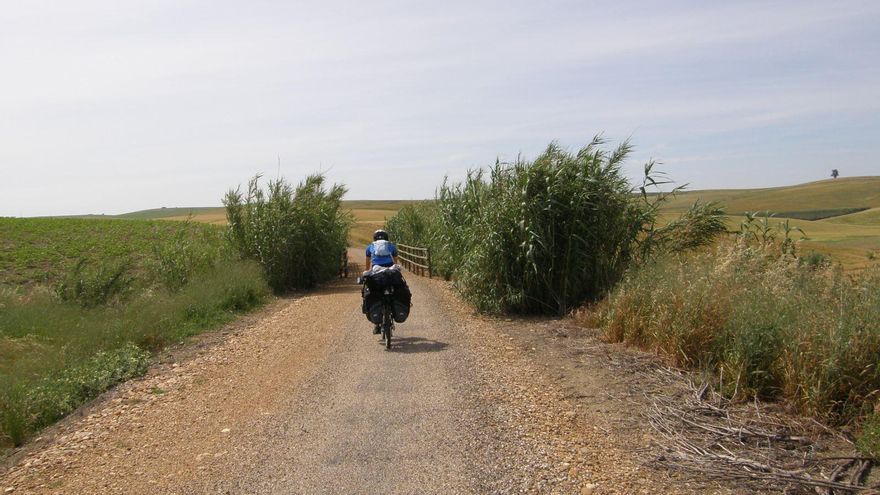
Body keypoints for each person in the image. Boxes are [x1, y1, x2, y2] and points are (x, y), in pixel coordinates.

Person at [364, 229, 400, 334]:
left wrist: (368, 271)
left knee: (375, 293)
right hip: (389, 270)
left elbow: (367, 264)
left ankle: (377, 325)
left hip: (376, 270)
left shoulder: (370, 247)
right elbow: (395, 261)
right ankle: (394, 310)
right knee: (395, 289)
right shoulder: (391, 246)